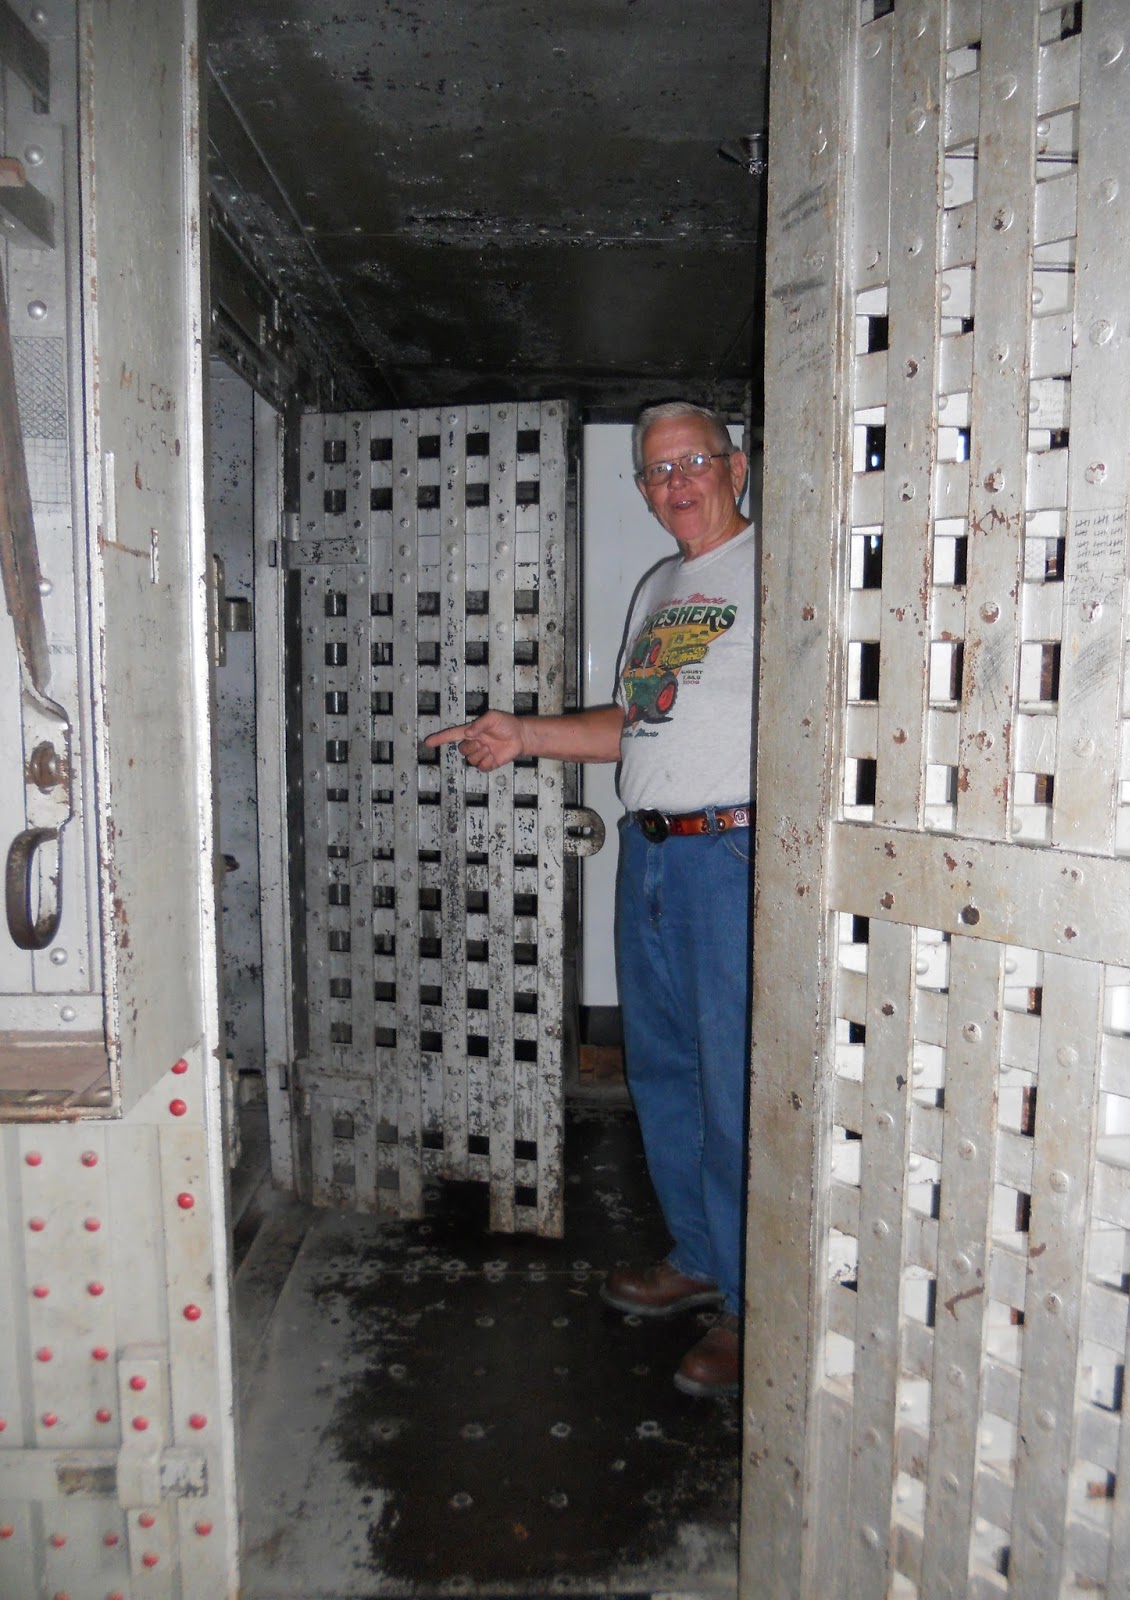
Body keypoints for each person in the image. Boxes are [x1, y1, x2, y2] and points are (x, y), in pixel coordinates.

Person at [425, 401, 756, 1397]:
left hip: (733, 854)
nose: (675, 484)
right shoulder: (661, 585)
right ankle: (701, 1255)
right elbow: (637, 723)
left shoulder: (782, 570)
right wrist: (524, 735)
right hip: (651, 857)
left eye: (693, 462)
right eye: (656, 472)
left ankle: (756, 1306)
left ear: (735, 467)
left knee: (737, 1086)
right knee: (664, 1071)